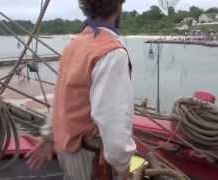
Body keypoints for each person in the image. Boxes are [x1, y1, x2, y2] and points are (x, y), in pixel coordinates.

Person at [25, 0, 136, 179]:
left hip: (68, 153)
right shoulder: (111, 53)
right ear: (119, 6)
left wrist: (48, 136)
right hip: (91, 159)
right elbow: (112, 119)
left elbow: (62, 99)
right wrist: (122, 166)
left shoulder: (74, 44)